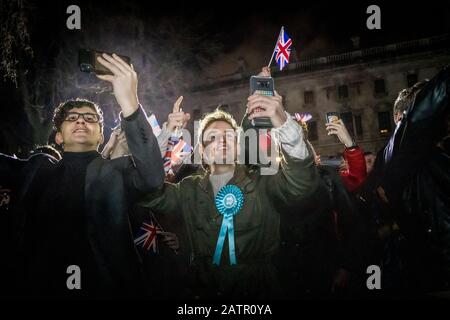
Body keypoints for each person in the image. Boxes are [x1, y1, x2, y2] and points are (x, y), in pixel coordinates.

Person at [0, 53, 164, 298]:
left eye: (90, 118)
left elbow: (152, 177)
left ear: (100, 135)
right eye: (72, 118)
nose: (81, 121)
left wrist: (130, 106)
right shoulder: (35, 171)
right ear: (58, 136)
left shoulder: (116, 172)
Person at [140, 82, 319, 299]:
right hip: (203, 291)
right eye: (212, 138)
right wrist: (167, 134)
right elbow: (147, 191)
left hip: (259, 291)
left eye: (229, 136)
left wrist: (282, 121)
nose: (222, 141)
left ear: (238, 147)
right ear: (203, 153)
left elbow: (302, 184)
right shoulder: (188, 189)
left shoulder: (263, 180)